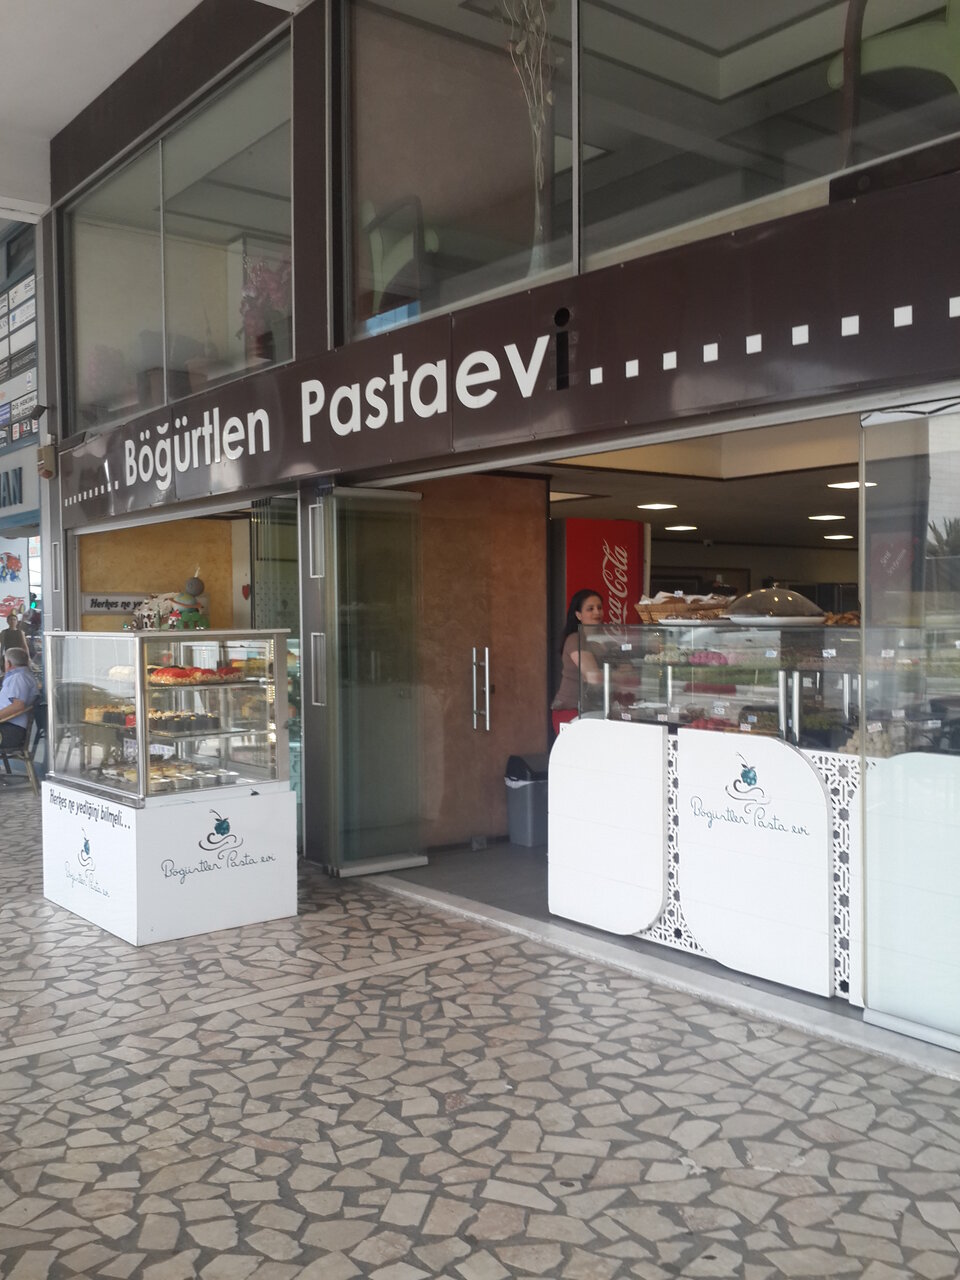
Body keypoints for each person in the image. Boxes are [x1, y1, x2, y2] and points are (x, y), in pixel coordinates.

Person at [551, 588, 605, 735]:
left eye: (599, 607)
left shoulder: (604, 640)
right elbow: (593, 677)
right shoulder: (574, 639)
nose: (597, 612)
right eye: (590, 609)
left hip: (596, 711)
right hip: (572, 710)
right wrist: (622, 677)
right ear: (578, 615)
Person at [0, 647, 38, 748]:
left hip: (10, 731)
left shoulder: (19, 677)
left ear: (8, 663)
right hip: (8, 728)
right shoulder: (23, 675)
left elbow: (18, 706)